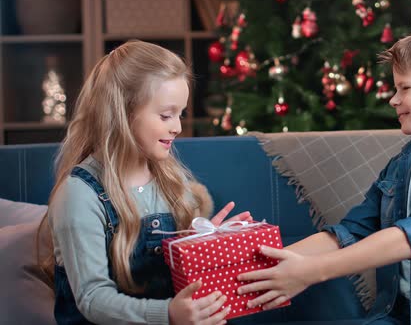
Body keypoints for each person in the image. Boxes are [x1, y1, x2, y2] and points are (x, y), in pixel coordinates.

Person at [237, 20, 411, 325]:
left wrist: (311, 272)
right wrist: (265, 263)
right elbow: (350, 231)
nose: (393, 99)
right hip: (394, 317)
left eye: (404, 88)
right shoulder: (401, 163)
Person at [37, 40, 252, 325]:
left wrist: (202, 245)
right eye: (166, 115)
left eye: (181, 114)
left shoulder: (171, 180)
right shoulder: (80, 194)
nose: (177, 126)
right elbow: (93, 299)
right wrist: (168, 314)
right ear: (123, 114)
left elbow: (181, 281)